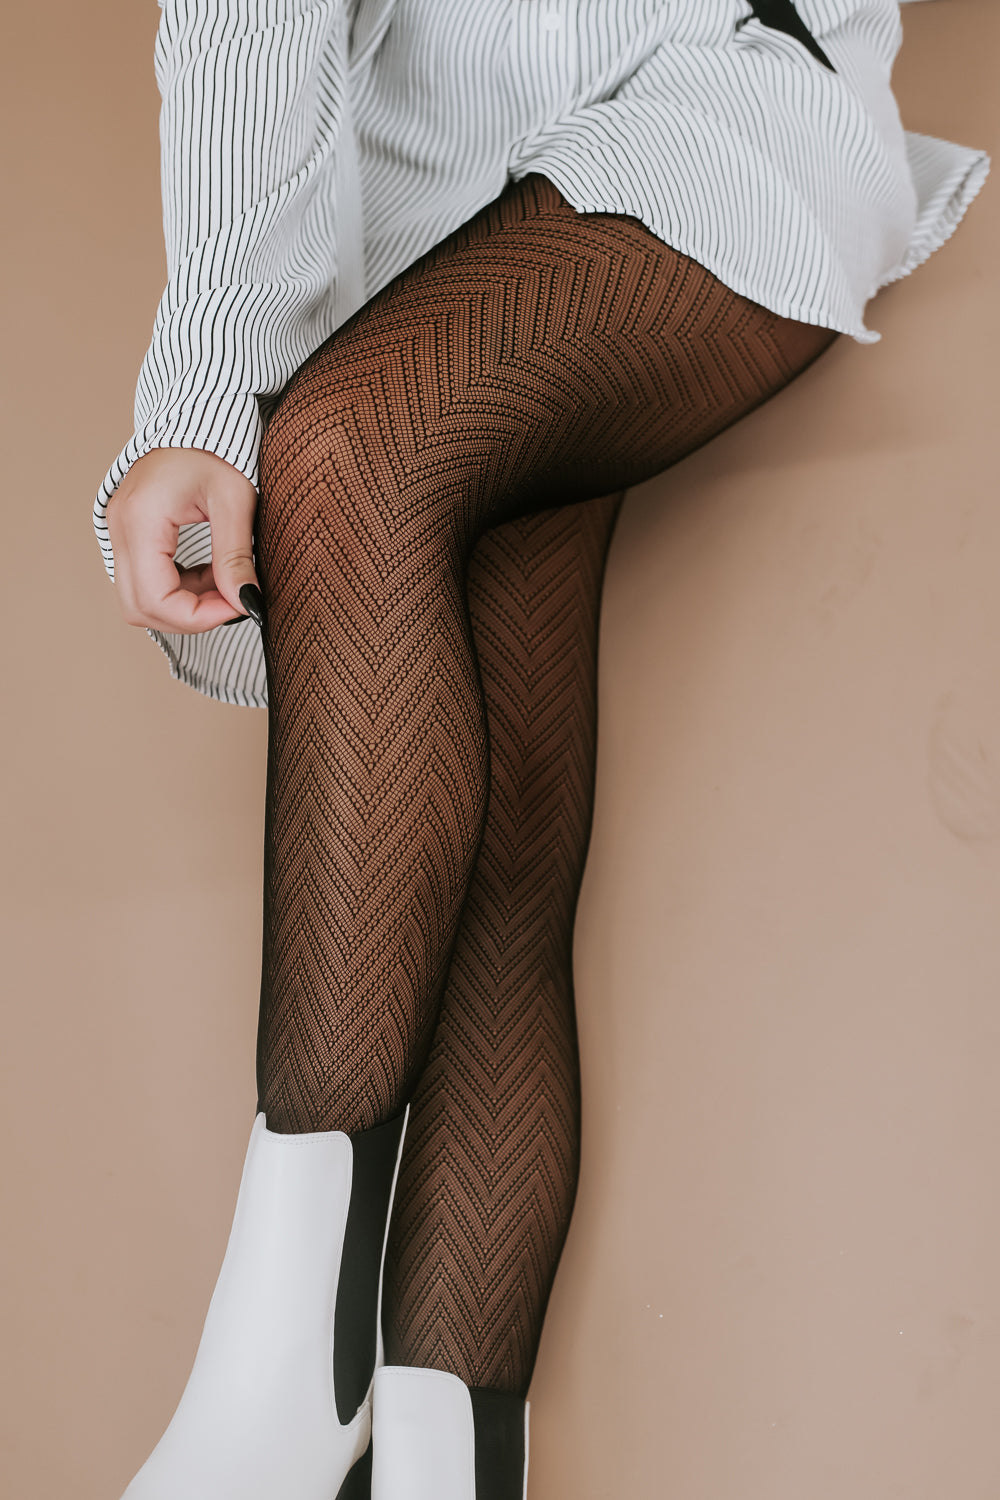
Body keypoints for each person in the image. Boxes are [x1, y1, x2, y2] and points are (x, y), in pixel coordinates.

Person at [95, 2, 987, 1497]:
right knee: (493, 828)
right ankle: (441, 1465)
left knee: (356, 448)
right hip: (423, 173)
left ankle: (278, 1389)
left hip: (726, 89)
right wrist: (202, 383)